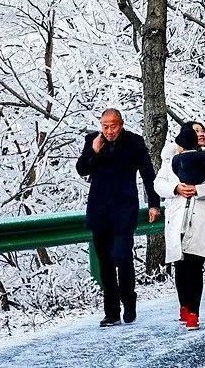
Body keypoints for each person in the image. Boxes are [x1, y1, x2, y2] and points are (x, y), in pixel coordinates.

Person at [76, 108, 160, 327]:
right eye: (105, 126)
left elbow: (148, 174)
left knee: (122, 256)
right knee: (105, 262)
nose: (109, 130)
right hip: (99, 210)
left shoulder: (134, 142)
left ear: (121, 124)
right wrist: (93, 151)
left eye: (113, 126)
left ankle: (129, 301)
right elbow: (82, 169)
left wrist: (153, 204)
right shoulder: (92, 141)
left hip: (125, 208)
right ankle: (111, 312)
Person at [155, 124, 205, 331]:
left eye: (202, 130)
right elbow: (159, 184)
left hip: (201, 214)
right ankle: (184, 306)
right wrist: (176, 188)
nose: (201, 134)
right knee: (180, 264)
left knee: (195, 265)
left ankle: (194, 313)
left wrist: (198, 190)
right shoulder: (170, 159)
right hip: (178, 215)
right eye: (196, 131)